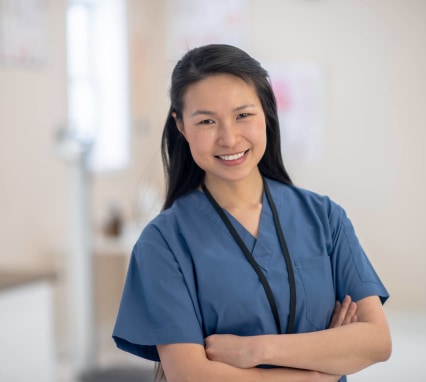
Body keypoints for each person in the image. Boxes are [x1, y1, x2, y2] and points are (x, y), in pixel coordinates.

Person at [113, 44, 392, 382]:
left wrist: (255, 351)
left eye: (243, 115)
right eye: (206, 121)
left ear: (266, 112)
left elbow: (376, 341)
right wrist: (319, 371)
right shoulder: (163, 243)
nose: (229, 138)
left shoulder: (324, 217)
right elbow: (191, 376)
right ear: (181, 126)